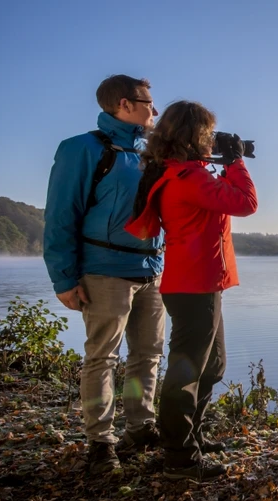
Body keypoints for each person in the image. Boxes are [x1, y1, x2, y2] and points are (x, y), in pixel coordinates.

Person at [126, 101, 257, 480]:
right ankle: (179, 457)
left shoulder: (185, 172)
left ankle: (190, 439)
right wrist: (235, 162)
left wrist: (223, 161)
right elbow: (246, 203)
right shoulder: (188, 178)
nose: (212, 140)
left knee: (212, 367)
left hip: (200, 283)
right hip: (193, 285)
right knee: (186, 372)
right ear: (193, 136)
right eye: (208, 134)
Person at [43, 75, 165, 475]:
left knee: (147, 356)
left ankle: (141, 427)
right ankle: (101, 443)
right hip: (104, 272)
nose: (155, 110)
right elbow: (61, 217)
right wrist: (64, 278)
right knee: (102, 358)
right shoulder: (82, 149)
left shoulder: (152, 153)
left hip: (151, 271)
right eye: (149, 102)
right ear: (124, 104)